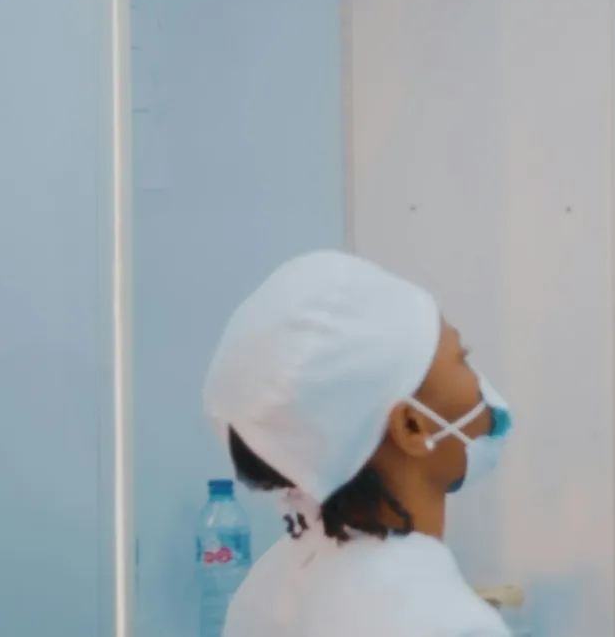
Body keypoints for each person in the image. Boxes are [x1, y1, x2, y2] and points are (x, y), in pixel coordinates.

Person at [202, 250, 514, 637]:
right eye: (462, 359)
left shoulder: (266, 589)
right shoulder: (441, 620)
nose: (481, 386)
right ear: (412, 428)